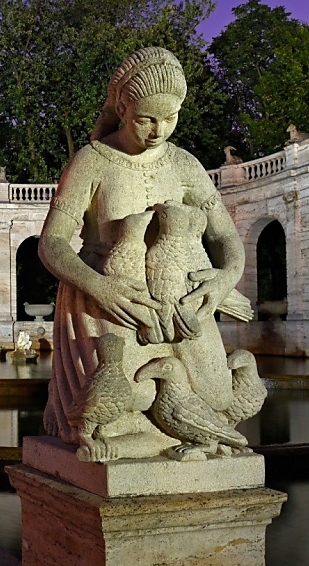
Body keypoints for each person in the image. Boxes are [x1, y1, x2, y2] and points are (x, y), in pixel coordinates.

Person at [38, 47, 245, 462]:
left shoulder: (185, 165)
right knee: (126, 396)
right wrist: (99, 286)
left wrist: (224, 280)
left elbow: (228, 241)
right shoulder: (92, 161)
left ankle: (187, 438)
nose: (157, 131)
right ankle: (129, 441)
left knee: (217, 397)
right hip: (113, 296)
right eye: (146, 119)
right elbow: (52, 243)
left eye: (169, 119)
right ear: (122, 106)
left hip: (181, 300)